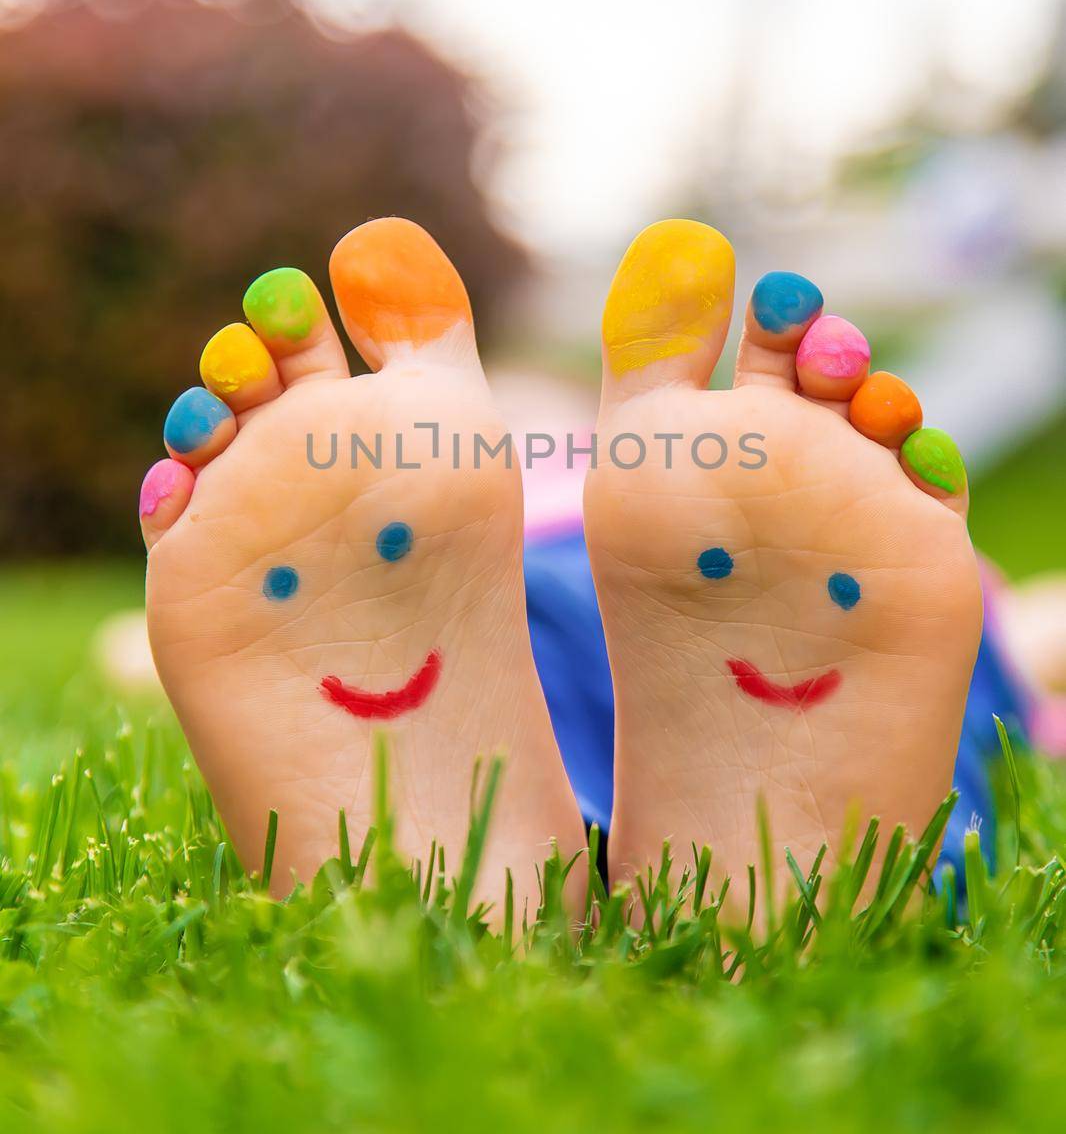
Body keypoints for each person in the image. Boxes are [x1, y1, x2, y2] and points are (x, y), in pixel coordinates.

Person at [138, 216, 1010, 911]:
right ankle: (787, 895)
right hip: (730, 594)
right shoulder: (860, 509)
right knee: (946, 700)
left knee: (503, 684)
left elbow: (139, 645)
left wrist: (134, 646)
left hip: (492, 605)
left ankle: (479, 885)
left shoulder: (467, 513)